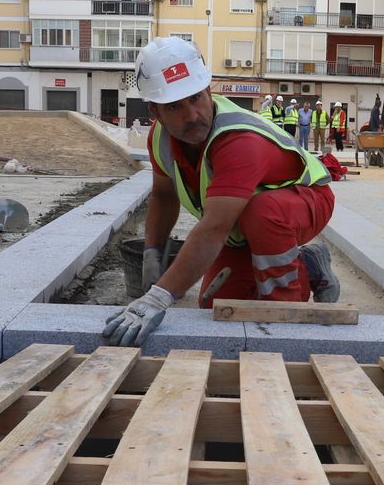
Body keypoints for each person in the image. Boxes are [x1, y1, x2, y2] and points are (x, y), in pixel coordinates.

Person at [103, 38, 340, 347]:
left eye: (196, 98)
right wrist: (152, 252)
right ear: (155, 112)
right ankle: (307, 265)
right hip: (242, 222)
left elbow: (214, 228)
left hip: (302, 200)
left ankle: (285, 314)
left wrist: (158, 297)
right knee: (216, 303)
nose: (192, 115)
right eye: (174, 106)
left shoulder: (238, 140)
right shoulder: (161, 138)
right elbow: (164, 196)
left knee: (263, 216)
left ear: (208, 91)